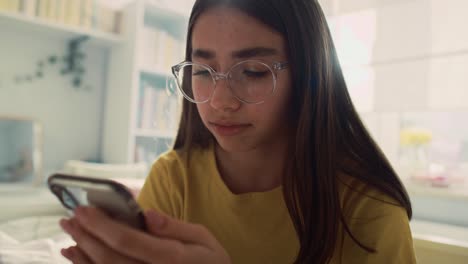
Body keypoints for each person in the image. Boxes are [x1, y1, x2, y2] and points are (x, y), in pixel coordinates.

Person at [58, 0, 416, 263]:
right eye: (202, 71)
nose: (220, 101)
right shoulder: (173, 178)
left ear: (310, 77)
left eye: (254, 71)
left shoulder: (369, 211)